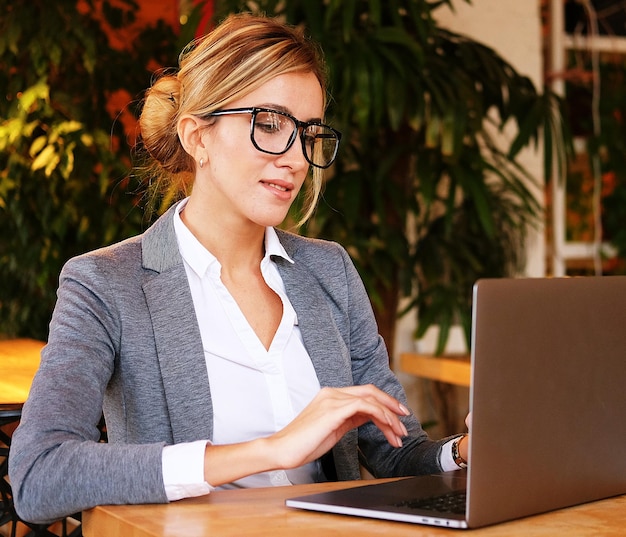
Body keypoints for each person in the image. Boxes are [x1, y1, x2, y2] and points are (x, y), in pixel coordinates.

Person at [9, 13, 469, 524]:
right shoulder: (106, 284)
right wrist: (271, 450)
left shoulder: (329, 271)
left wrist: (466, 452)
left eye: (308, 133)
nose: (295, 158)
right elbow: (39, 473)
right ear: (197, 137)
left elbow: (395, 453)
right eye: (269, 125)